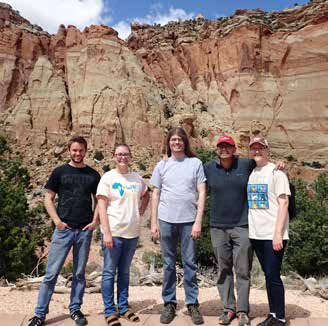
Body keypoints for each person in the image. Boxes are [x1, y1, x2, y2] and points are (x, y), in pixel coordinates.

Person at [28, 136, 101, 326]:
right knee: (51, 273)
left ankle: (75, 310)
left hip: (84, 231)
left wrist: (95, 222)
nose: (78, 153)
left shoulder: (93, 175)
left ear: (86, 151)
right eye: (74, 150)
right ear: (69, 150)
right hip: (64, 230)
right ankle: (39, 314)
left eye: (81, 150)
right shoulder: (59, 172)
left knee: (78, 274)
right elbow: (47, 198)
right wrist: (57, 221)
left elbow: (100, 201)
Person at [150, 127, 207, 325]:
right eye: (173, 140)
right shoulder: (162, 165)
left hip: (189, 221)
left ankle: (192, 304)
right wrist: (153, 222)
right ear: (169, 143)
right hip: (166, 220)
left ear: (185, 142)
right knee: (168, 264)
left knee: (190, 263)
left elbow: (201, 192)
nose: (176, 143)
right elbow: (155, 194)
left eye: (179, 139)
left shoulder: (195, 163)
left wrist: (198, 221)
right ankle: (169, 303)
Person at [204, 135, 254, 326]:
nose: (224, 149)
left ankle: (242, 311)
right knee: (223, 270)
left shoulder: (245, 165)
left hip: (242, 226)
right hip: (218, 227)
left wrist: (280, 165)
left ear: (234, 149)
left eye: (228, 146)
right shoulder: (208, 168)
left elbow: (263, 164)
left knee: (243, 270)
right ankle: (228, 308)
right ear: (217, 149)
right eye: (221, 146)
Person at [97, 144, 149, 326]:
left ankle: (124, 307)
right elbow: (101, 206)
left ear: (130, 156)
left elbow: (146, 194)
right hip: (114, 233)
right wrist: (107, 233)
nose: (122, 158)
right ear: (113, 157)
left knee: (125, 273)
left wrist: (140, 211)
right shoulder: (108, 178)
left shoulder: (136, 178)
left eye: (125, 154)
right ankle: (110, 311)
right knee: (109, 273)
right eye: (119, 154)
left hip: (132, 234)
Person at [247, 136, 290, 326]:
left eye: (260, 148)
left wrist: (278, 233)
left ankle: (279, 317)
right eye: (253, 148)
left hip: (273, 234)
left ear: (267, 150)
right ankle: (273, 314)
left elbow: (284, 203)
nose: (257, 151)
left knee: (273, 275)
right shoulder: (251, 171)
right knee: (268, 275)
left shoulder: (276, 172)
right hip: (256, 233)